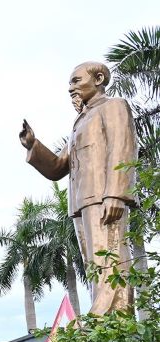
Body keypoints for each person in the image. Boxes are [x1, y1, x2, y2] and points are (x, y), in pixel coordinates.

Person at [20, 61, 138, 315]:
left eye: (76, 81)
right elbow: (58, 167)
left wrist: (116, 194)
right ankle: (103, 318)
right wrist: (33, 145)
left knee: (110, 257)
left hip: (105, 198)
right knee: (94, 265)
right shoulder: (80, 124)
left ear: (98, 79)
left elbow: (122, 148)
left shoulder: (113, 106)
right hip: (83, 201)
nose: (70, 88)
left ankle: (112, 319)